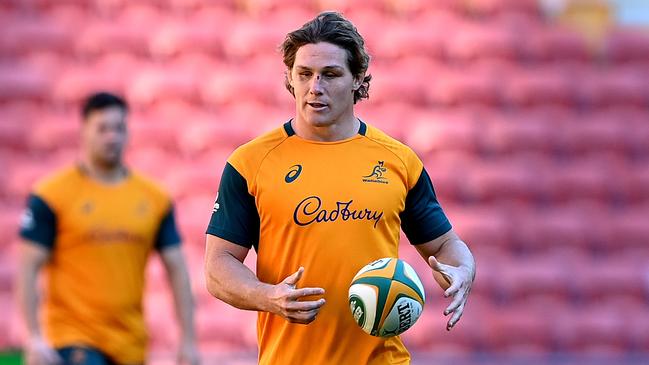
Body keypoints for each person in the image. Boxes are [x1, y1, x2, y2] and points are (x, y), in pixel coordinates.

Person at [204, 11, 476, 365]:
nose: (315, 87)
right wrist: (268, 296)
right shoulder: (250, 163)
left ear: (358, 79)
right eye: (304, 74)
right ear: (290, 77)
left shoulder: (398, 161)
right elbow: (217, 266)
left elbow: (443, 244)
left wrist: (463, 270)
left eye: (330, 75)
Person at [17, 92, 200, 365]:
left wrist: (188, 340)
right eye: (102, 128)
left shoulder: (153, 198)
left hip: (131, 343)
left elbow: (177, 270)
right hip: (74, 338)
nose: (112, 136)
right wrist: (33, 337)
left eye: (119, 128)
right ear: (84, 132)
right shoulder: (52, 195)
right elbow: (28, 267)